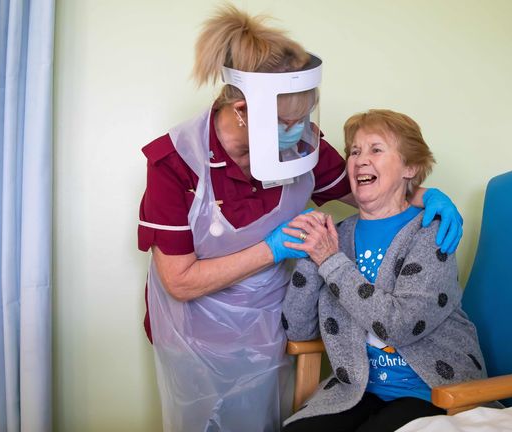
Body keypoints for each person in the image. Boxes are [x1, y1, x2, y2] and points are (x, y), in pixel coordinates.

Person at [137, 6, 464, 432]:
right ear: (242, 111)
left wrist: (424, 192)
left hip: (270, 329)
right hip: (196, 336)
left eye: (305, 116)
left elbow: (366, 190)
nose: (300, 131)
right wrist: (273, 248)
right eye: (287, 122)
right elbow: (179, 281)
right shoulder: (175, 165)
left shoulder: (301, 147)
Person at [280, 109, 487, 432]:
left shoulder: (431, 233)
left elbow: (399, 325)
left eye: (376, 149)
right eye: (355, 151)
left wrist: (330, 262)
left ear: (411, 167)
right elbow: (297, 330)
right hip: (359, 389)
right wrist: (311, 254)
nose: (360, 160)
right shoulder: (338, 236)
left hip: (433, 389)